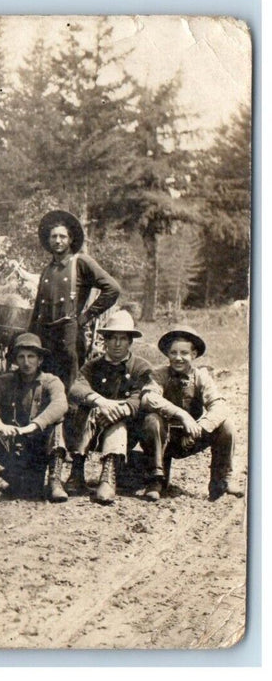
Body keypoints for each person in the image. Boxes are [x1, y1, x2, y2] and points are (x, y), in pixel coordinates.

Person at [140, 326, 243, 502]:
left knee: (226, 426)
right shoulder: (159, 375)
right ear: (167, 354)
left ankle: (221, 481)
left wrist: (200, 428)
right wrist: (182, 415)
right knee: (151, 419)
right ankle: (155, 480)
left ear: (194, 355)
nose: (178, 358)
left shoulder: (201, 376)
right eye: (173, 352)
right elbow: (148, 398)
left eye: (184, 353)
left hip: (192, 437)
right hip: (165, 438)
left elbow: (219, 405)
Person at [67, 310, 152, 505]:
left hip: (128, 431)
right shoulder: (93, 366)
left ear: (130, 341)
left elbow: (143, 395)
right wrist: (100, 402)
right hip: (95, 424)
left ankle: (108, 475)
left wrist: (120, 410)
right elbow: (76, 387)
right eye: (112, 338)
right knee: (84, 409)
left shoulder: (141, 367)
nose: (117, 343)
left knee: (118, 422)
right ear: (105, 340)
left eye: (122, 338)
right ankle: (76, 472)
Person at [28, 209, 120, 388]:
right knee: (44, 384)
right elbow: (38, 308)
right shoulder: (47, 270)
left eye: (62, 236)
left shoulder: (81, 263)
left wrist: (86, 316)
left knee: (70, 386)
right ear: (48, 240)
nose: (57, 241)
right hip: (45, 336)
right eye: (53, 237)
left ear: (70, 240)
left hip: (68, 336)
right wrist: (30, 337)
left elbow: (113, 289)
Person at [0, 333, 68, 503]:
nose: (26, 362)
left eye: (31, 356)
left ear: (40, 360)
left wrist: (34, 425)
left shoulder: (50, 381)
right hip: (12, 446)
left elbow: (60, 404)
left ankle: (54, 480)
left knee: (57, 422)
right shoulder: (5, 381)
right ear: (16, 360)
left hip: (39, 448)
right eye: (21, 357)